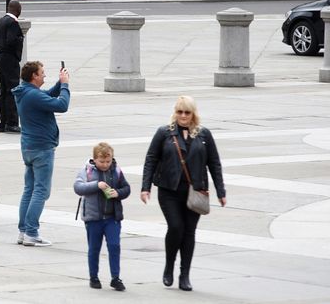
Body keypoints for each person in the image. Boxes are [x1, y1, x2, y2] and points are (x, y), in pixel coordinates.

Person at [140, 96, 226, 292]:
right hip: (169, 190)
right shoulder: (164, 133)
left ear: (193, 114)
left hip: (194, 191)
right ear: (175, 113)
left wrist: (221, 191)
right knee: (176, 226)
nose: (183, 116)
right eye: (180, 112)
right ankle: (169, 266)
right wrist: (146, 187)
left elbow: (214, 164)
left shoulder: (204, 135)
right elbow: (151, 159)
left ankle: (184, 274)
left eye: (187, 112)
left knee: (189, 232)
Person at [12, 60, 70, 246]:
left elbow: (46, 95)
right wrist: (66, 86)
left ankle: (23, 231)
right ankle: (31, 232)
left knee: (29, 190)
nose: (44, 75)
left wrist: (60, 83)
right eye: (42, 72)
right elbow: (62, 105)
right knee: (41, 191)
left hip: (29, 148)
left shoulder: (26, 92)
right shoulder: (32, 95)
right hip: (42, 148)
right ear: (34, 76)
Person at [74, 142, 131, 292]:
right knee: (94, 248)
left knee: (114, 246)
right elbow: (78, 187)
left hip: (112, 217)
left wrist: (118, 193)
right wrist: (95, 185)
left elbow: (126, 188)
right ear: (94, 159)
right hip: (94, 218)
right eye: (102, 161)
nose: (105, 164)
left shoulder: (116, 171)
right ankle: (94, 276)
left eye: (108, 161)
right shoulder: (87, 171)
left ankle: (115, 277)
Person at [0, 0, 23, 133]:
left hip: (0, 57)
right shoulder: (13, 23)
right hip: (10, 59)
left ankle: (3, 122)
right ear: (18, 10)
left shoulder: (0, 21)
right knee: (13, 90)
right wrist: (20, 39)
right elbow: (11, 40)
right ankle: (12, 123)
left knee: (3, 91)